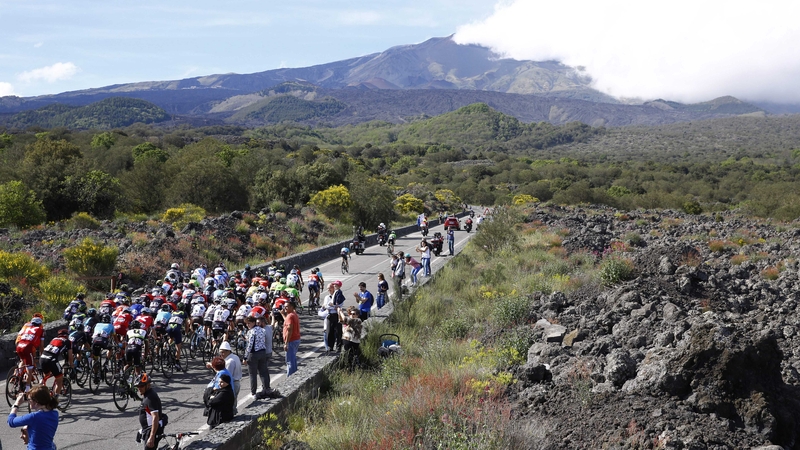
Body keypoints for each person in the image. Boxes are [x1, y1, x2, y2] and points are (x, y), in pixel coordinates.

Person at [8, 384, 59, 450]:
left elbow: (11, 422)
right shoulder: (55, 414)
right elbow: (42, 427)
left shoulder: (34, 417)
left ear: (36, 402)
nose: (28, 402)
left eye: (29, 400)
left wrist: (16, 404)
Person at [242, 316, 275, 399]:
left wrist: (245, 357)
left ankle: (253, 393)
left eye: (249, 323)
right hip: (262, 352)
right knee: (263, 372)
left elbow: (250, 346)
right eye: (246, 324)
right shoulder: (262, 330)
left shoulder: (251, 332)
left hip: (253, 354)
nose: (247, 325)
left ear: (253, 322)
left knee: (253, 374)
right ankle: (267, 388)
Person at [40, 329, 73, 399]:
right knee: (59, 379)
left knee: (47, 374)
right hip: (51, 360)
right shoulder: (68, 341)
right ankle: (55, 400)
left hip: (42, 358)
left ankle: (41, 383)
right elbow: (70, 356)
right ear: (66, 335)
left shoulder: (54, 339)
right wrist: (71, 365)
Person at [136, 372, 165, 450]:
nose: (139, 388)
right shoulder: (147, 395)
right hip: (148, 429)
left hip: (152, 431)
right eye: (138, 386)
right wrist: (143, 429)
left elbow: (155, 417)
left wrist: (151, 437)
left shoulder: (150, 398)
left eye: (141, 386)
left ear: (148, 385)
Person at [16, 314, 44, 392]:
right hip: (28, 347)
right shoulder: (40, 329)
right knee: (30, 367)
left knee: (22, 361)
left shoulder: (27, 326)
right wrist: (42, 356)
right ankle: (27, 389)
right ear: (40, 323)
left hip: (19, 345)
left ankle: (17, 374)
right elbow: (41, 346)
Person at [337, 306, 363, 371]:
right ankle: (349, 368)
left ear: (357, 315)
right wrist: (339, 313)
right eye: (351, 314)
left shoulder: (358, 320)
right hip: (347, 339)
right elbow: (342, 320)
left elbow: (345, 319)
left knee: (353, 355)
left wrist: (340, 312)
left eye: (353, 314)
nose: (352, 315)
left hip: (354, 341)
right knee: (347, 355)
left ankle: (355, 368)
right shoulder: (350, 320)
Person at [282, 301, 301, 376]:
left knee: (290, 361)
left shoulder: (290, 316)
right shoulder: (293, 314)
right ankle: (294, 374)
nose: (285, 308)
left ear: (292, 307)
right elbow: (287, 322)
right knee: (293, 359)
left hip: (291, 340)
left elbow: (289, 329)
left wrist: (286, 343)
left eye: (287, 306)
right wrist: (283, 314)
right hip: (296, 339)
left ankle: (290, 377)